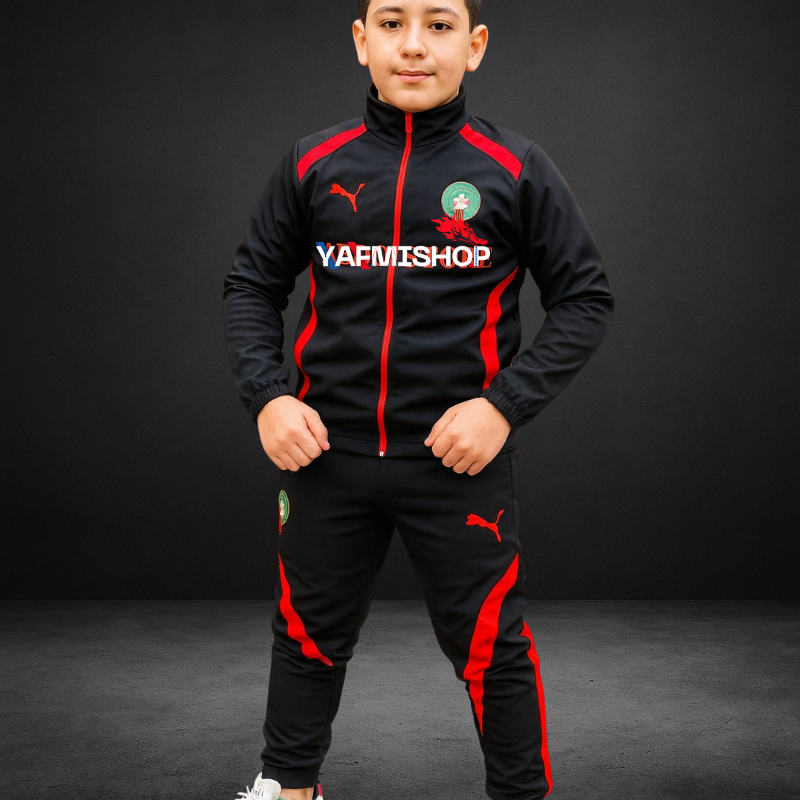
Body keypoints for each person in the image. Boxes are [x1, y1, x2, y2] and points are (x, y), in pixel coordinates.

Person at [223, 1, 614, 798]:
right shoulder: (314, 162)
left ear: (474, 46)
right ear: (361, 40)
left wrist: (501, 406)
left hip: (455, 464)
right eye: (392, 22)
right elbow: (251, 284)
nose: (413, 45)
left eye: (438, 25)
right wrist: (268, 398)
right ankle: (288, 788)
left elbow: (585, 298)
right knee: (305, 636)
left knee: (491, 651)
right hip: (325, 457)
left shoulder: (515, 168)